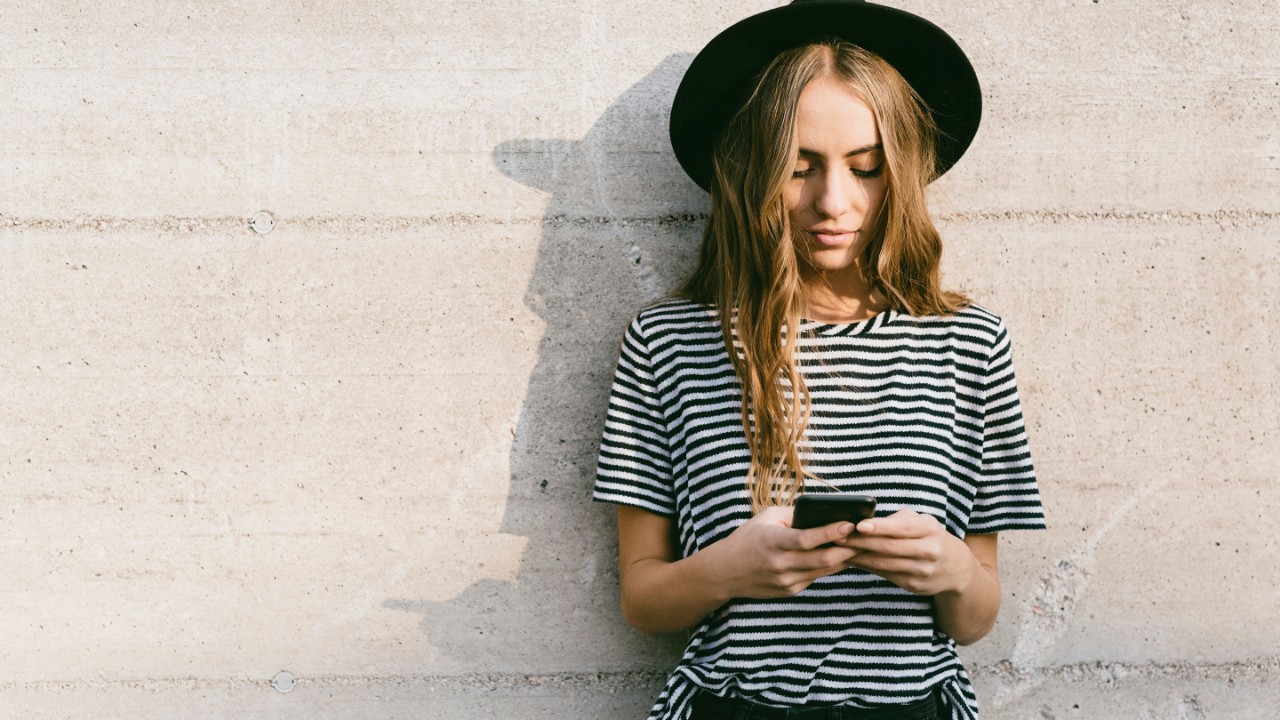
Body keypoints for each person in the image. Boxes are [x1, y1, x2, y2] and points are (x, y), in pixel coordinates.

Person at [593, 2, 1046, 718]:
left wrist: (953, 569)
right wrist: (727, 570)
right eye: (799, 168)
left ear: (900, 170)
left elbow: (976, 616)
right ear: (749, 171)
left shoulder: (969, 343)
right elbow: (645, 601)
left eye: (865, 168)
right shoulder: (667, 344)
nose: (834, 202)